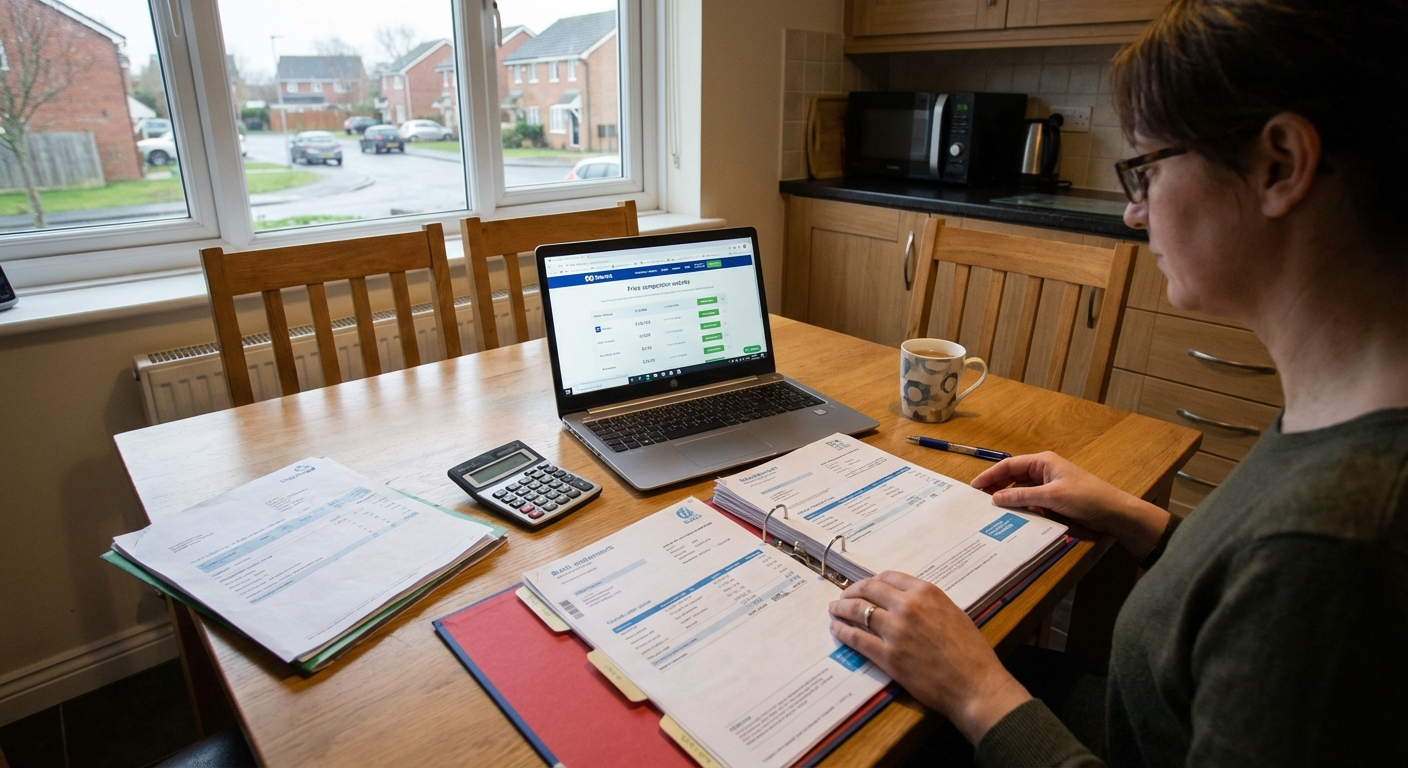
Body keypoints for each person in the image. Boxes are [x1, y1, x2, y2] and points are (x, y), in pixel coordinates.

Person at [827, 0, 1408, 764]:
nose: (1134, 213)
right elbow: (1243, 598)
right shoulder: (1341, 419)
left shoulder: (1331, 550)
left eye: (1148, 169)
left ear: (1281, 165)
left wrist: (975, 690)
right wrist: (1138, 520)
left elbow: (1286, 583)